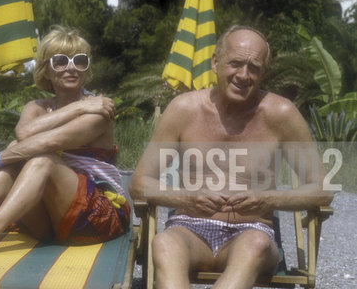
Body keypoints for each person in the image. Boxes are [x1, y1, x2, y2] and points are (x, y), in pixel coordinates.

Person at [130, 25, 333, 289]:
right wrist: (186, 197)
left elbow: (322, 188)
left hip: (251, 232)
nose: (243, 75)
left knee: (256, 245)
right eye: (235, 63)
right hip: (189, 229)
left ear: (264, 73)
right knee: (165, 243)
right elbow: (139, 183)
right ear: (215, 62)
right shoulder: (183, 109)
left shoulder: (281, 114)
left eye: (254, 67)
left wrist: (267, 199)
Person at [0, 26, 130, 254]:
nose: (71, 68)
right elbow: (24, 134)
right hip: (50, 221)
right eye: (60, 61)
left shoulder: (99, 110)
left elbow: (49, 143)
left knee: (42, 160)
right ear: (46, 71)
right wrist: (79, 106)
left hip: (97, 216)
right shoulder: (38, 107)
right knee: (16, 151)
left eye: (80, 61)